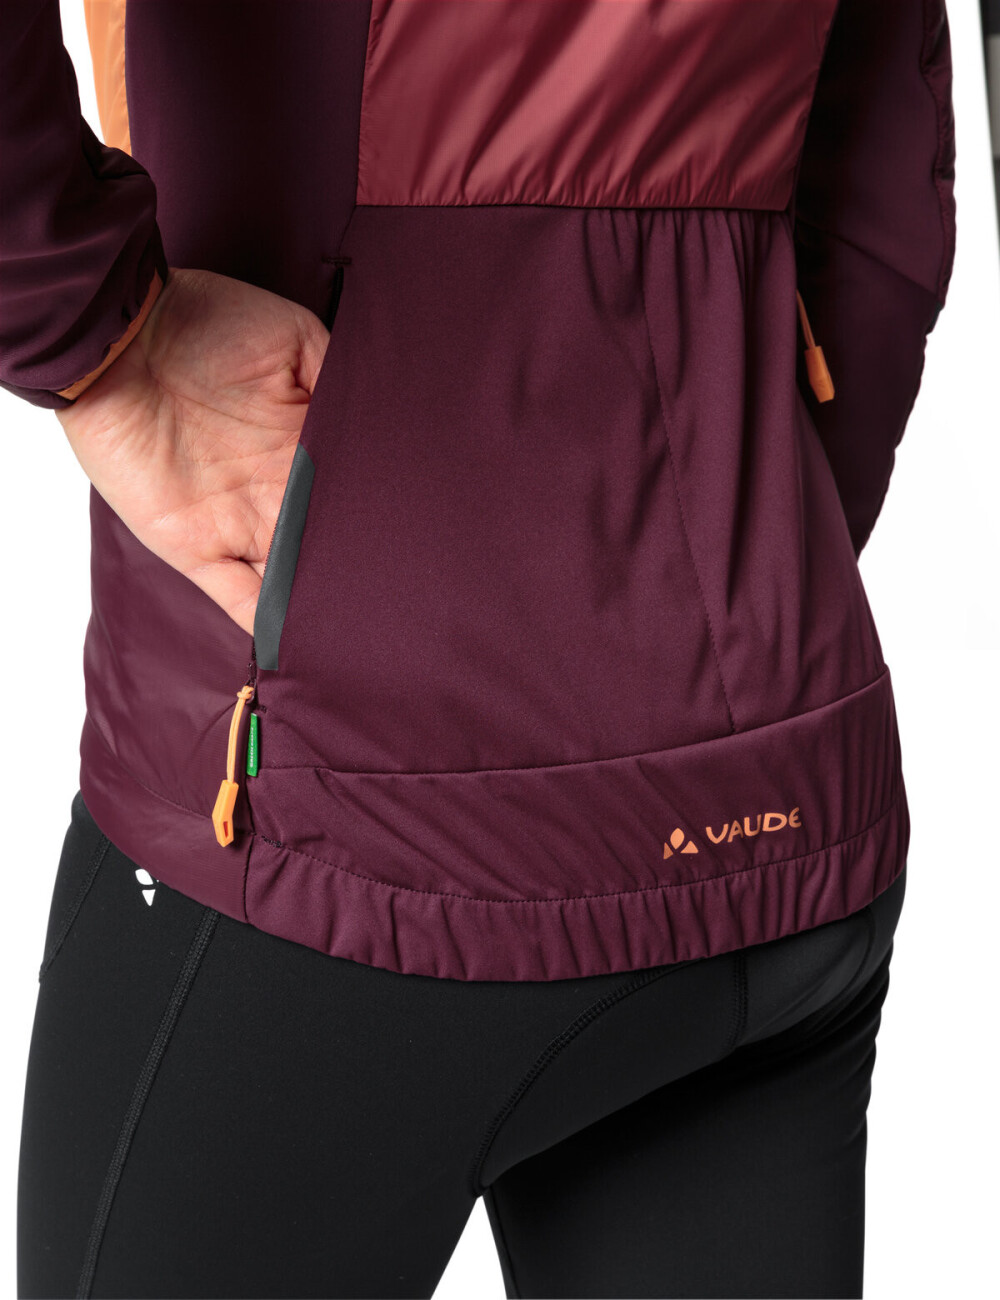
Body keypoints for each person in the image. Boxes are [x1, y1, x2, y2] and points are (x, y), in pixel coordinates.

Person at [2, 2, 956, 1297]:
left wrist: (97, 341)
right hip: (771, 788)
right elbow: (884, 155)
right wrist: (734, 574)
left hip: (333, 805)